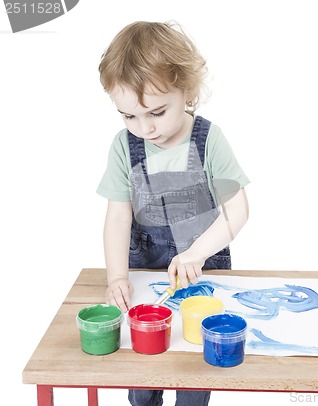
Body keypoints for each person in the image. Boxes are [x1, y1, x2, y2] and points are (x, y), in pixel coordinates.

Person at [96, 21, 250, 406]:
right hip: (146, 271)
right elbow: (118, 217)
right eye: (129, 116)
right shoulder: (124, 147)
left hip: (204, 271)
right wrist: (116, 275)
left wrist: (196, 252)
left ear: (188, 89)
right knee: (144, 371)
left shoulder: (209, 139)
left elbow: (238, 210)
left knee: (194, 368)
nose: (145, 128)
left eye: (157, 112)